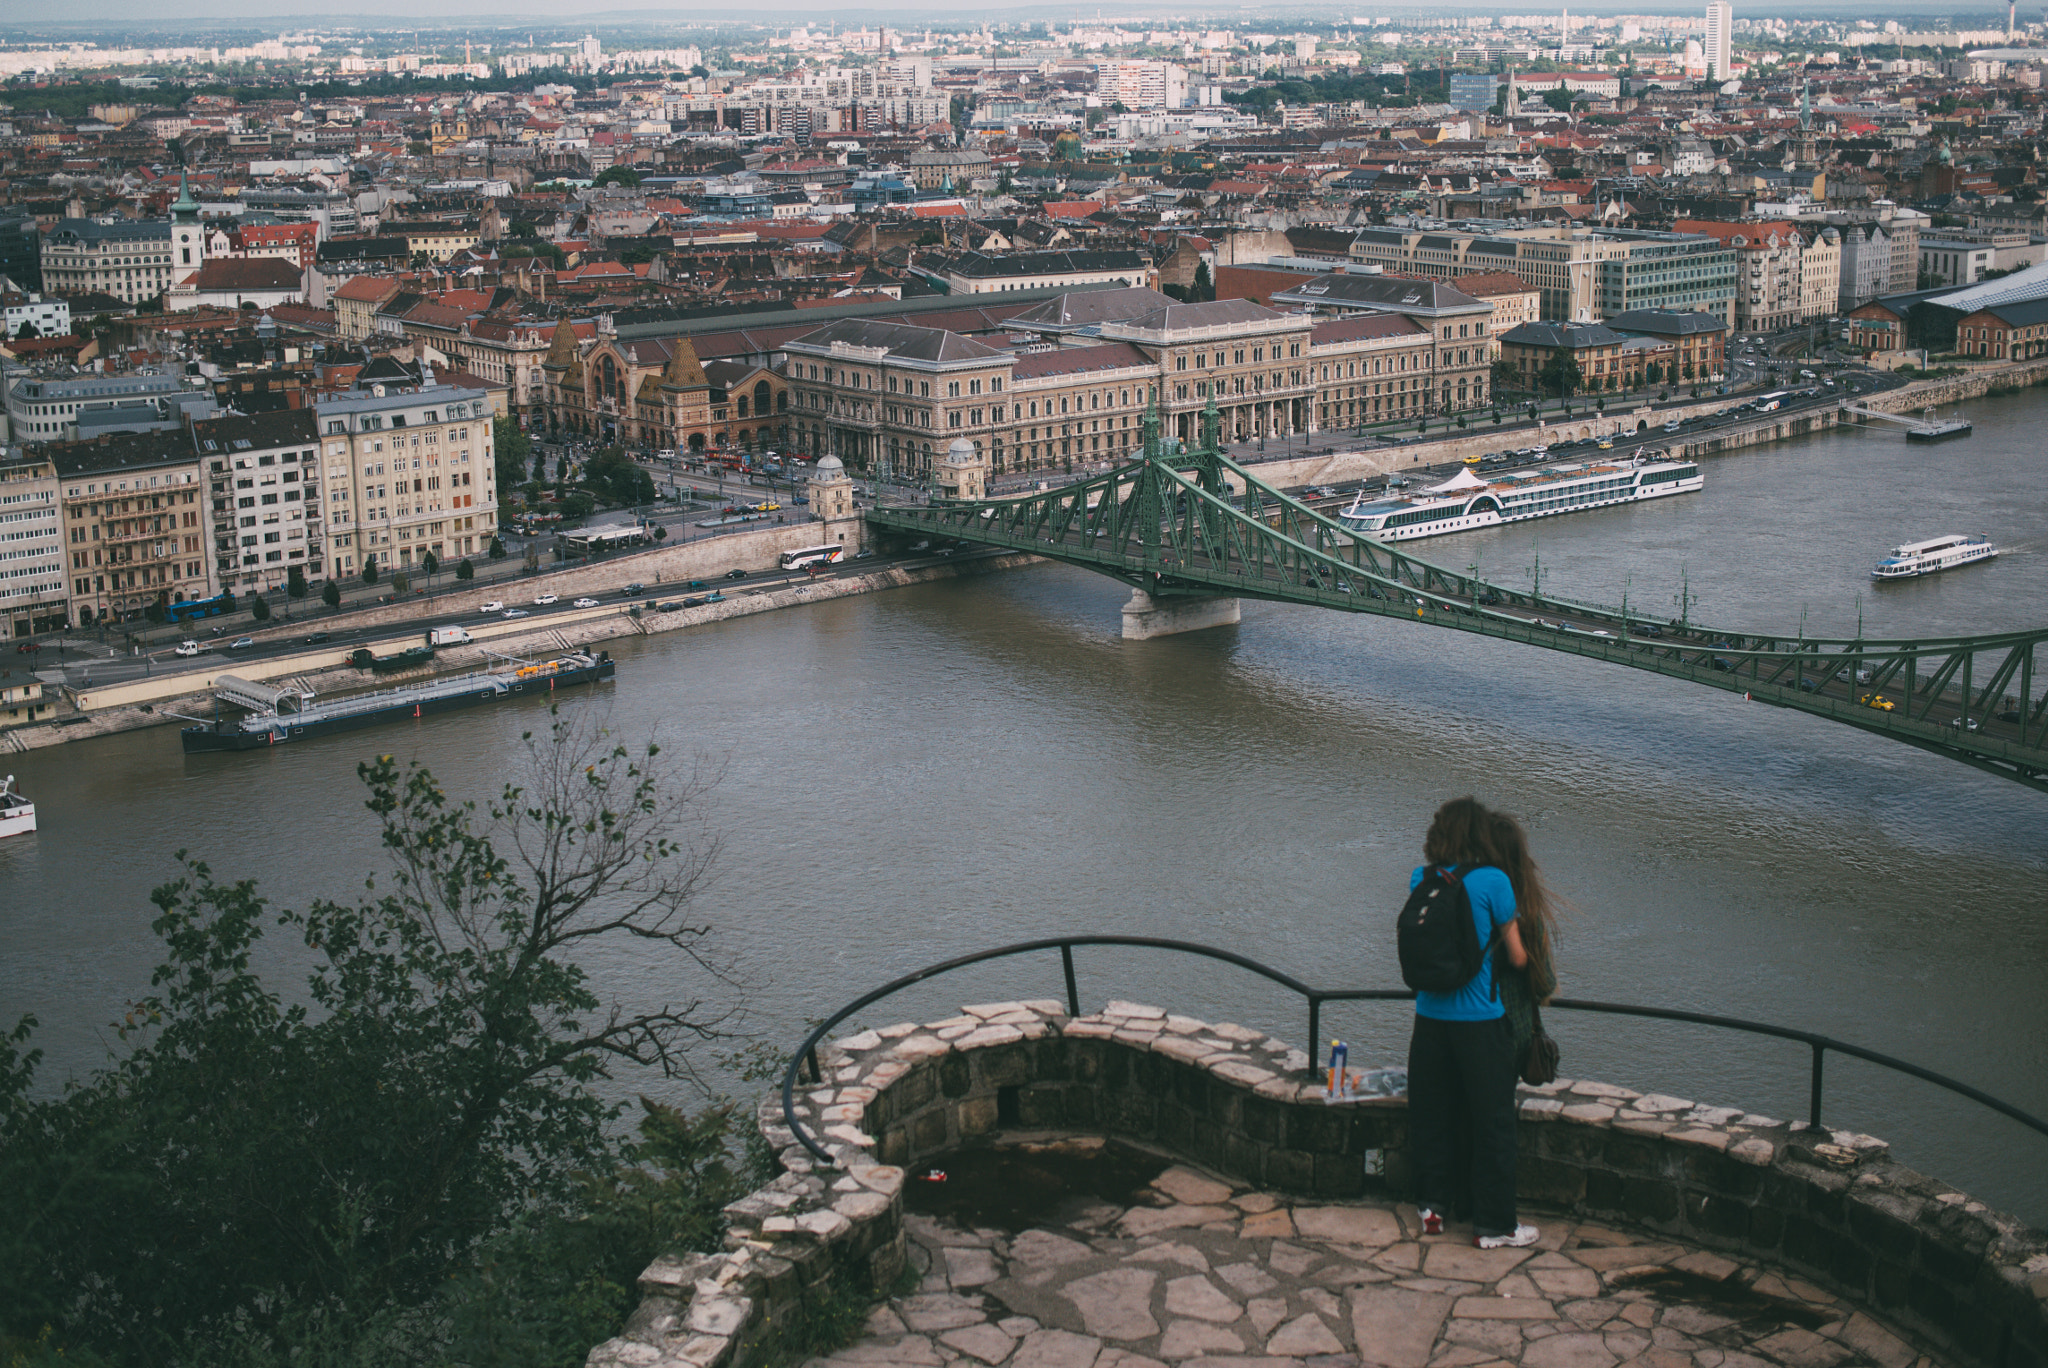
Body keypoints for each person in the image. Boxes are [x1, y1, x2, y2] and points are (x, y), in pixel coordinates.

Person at [1405, 797, 1541, 1250]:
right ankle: (1496, 1225)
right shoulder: (1494, 881)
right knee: (1493, 1124)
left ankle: (1432, 1207)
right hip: (1481, 1024)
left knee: (1433, 1115)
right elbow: (1519, 958)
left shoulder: (1421, 879)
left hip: (1429, 1021)